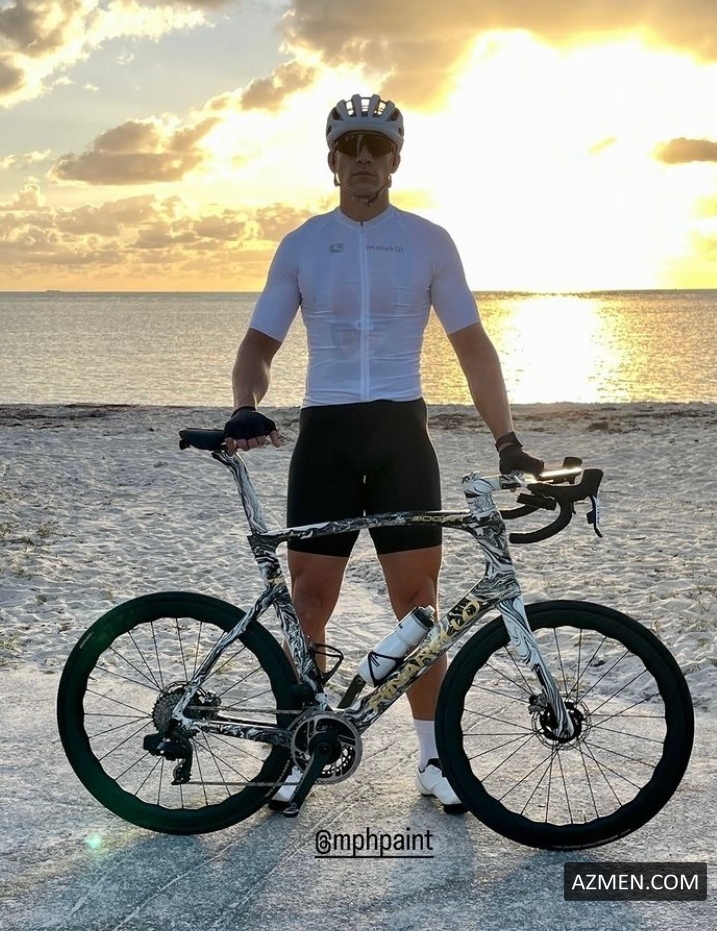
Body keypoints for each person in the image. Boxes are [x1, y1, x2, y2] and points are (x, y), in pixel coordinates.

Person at [225, 93, 544, 812]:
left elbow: (472, 346)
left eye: (377, 146)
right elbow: (259, 346)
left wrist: (508, 440)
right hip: (326, 437)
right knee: (309, 601)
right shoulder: (303, 244)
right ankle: (303, 745)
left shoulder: (429, 241)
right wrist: (245, 404)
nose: (363, 157)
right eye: (350, 147)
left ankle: (434, 759)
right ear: (332, 161)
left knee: (419, 605)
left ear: (395, 160)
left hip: (403, 436)